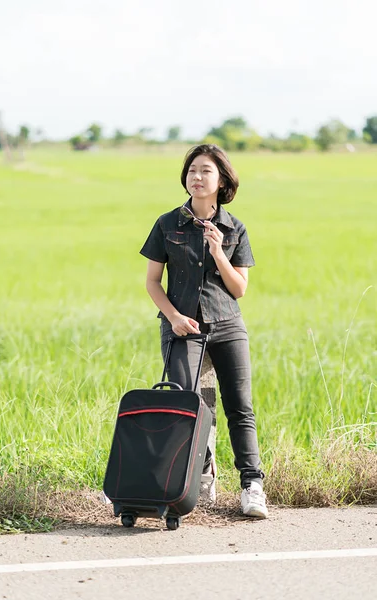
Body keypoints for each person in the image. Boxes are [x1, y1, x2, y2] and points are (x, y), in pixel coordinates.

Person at [139, 144, 268, 518]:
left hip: (228, 324)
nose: (197, 177)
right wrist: (175, 318)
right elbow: (152, 283)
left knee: (240, 408)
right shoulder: (167, 224)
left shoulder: (234, 228)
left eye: (206, 171)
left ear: (222, 180)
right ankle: (198, 473)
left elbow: (239, 288)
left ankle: (251, 486)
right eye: (192, 170)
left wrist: (219, 253)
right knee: (187, 405)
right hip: (182, 327)